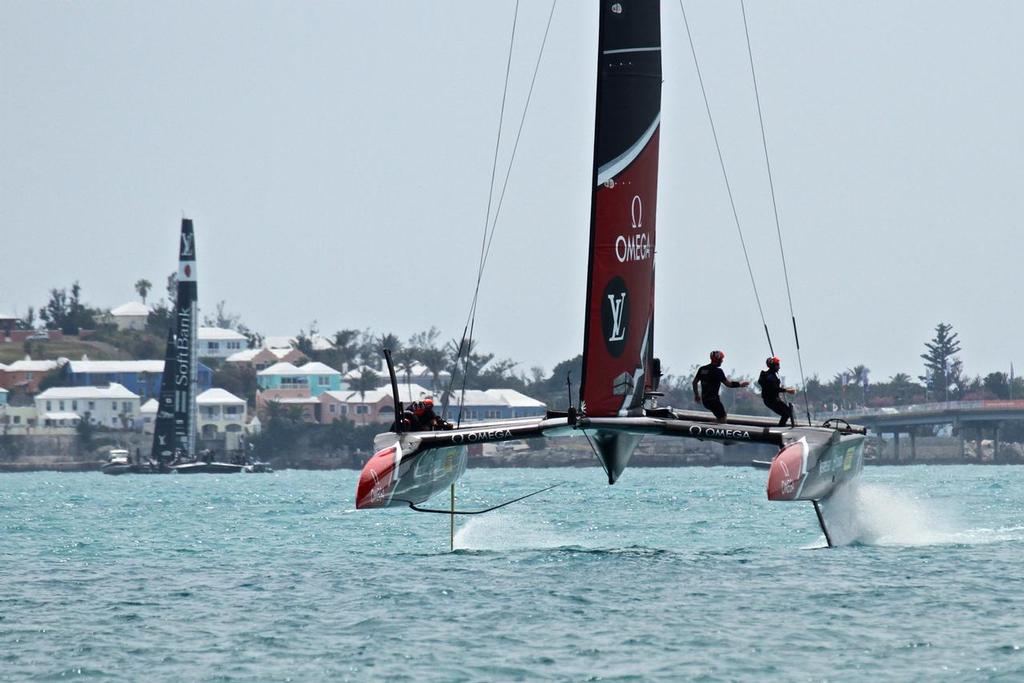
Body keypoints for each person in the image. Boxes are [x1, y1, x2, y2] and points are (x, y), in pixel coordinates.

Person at [692, 350, 749, 421]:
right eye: (721, 359)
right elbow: (729, 384)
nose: (722, 361)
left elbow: (694, 382)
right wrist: (740, 384)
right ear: (718, 359)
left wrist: (696, 395)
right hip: (714, 400)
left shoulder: (702, 369)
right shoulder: (718, 371)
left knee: (719, 418)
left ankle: (712, 426)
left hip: (705, 401)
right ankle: (712, 429)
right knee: (723, 418)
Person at [758, 356, 797, 427]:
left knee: (788, 412)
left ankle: (781, 426)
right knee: (787, 413)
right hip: (771, 401)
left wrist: (785, 389)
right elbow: (774, 388)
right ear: (773, 366)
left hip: (773, 400)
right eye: (778, 365)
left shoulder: (768, 375)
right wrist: (787, 390)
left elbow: (774, 388)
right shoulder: (769, 376)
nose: (779, 367)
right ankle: (780, 428)